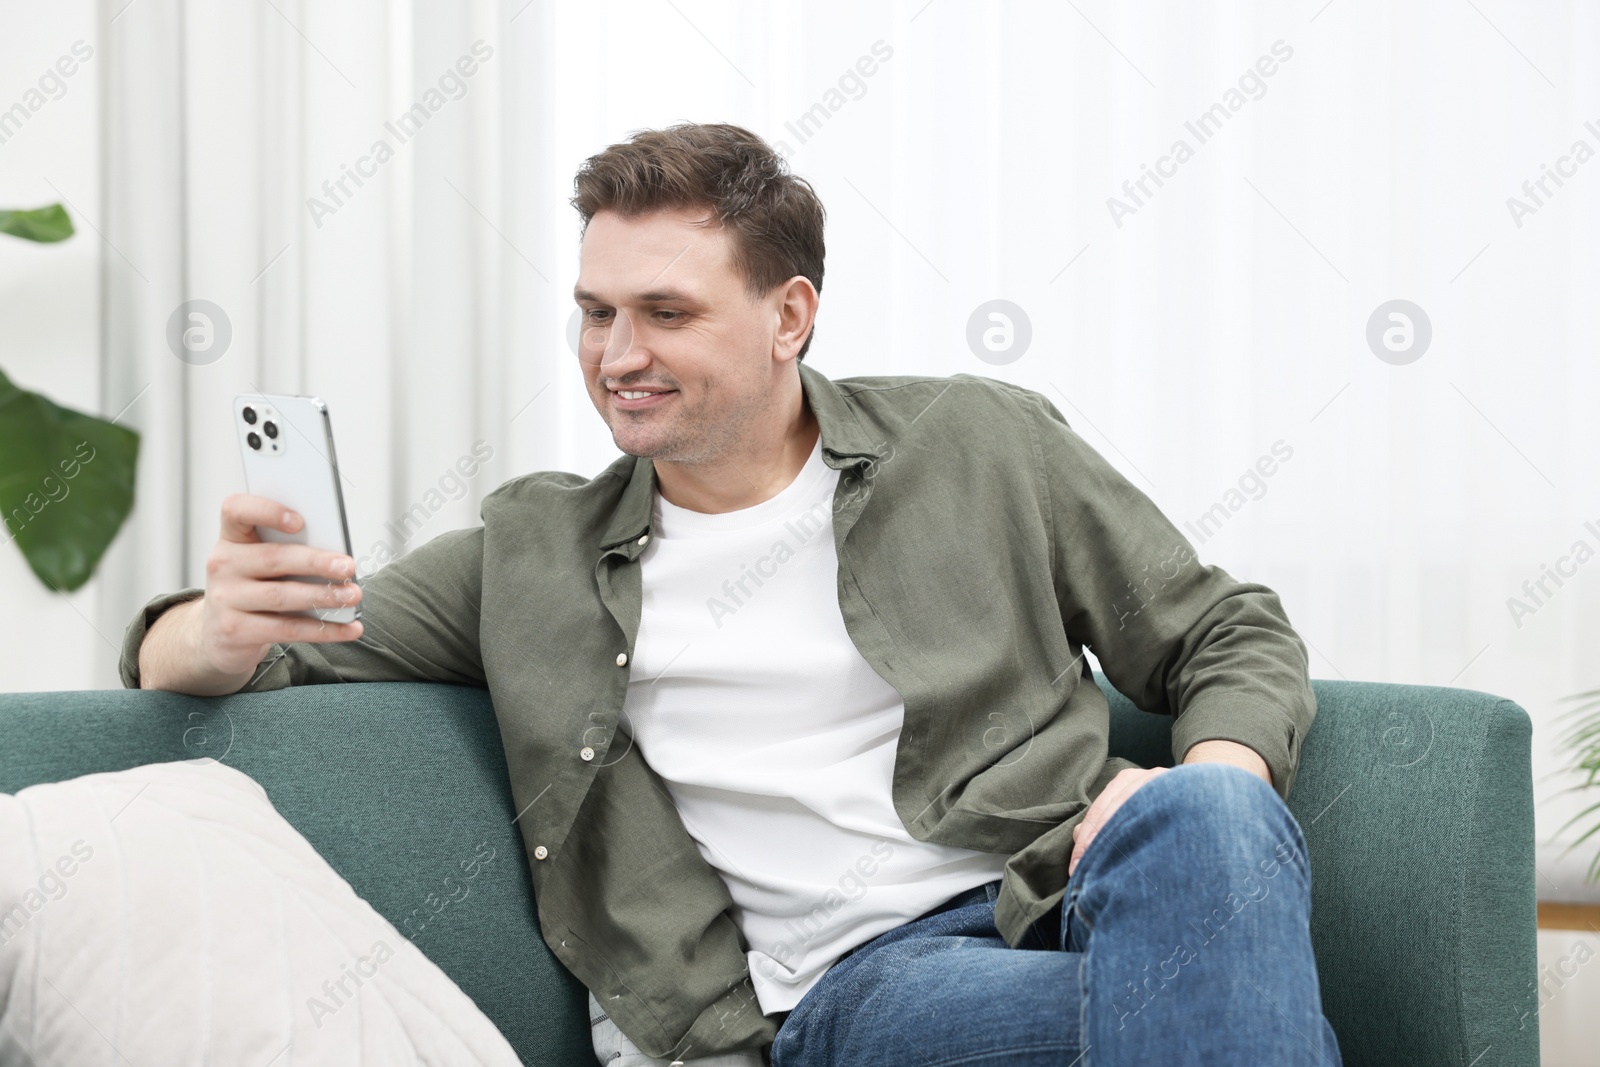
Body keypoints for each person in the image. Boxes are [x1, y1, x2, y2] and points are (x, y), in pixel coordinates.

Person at [121, 122, 1341, 1066]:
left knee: (1208, 817)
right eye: (595, 311)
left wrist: (1221, 771)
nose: (615, 355)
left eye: (665, 312)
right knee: (1229, 998)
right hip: (870, 983)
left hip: (1080, 882)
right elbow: (244, 654)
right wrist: (211, 624)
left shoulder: (978, 442)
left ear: (787, 317)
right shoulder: (530, 550)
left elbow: (1224, 631)